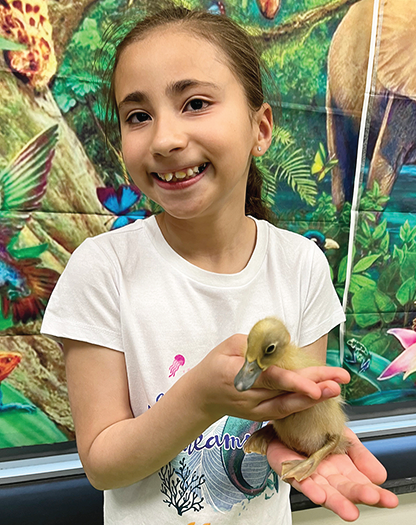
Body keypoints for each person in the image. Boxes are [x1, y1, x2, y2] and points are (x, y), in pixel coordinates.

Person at [41, 7, 398, 524]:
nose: (164, 139)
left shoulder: (302, 266)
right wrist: (199, 400)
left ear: (261, 127)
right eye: (138, 115)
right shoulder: (101, 271)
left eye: (196, 103)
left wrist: (298, 440)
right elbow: (102, 464)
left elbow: (292, 412)